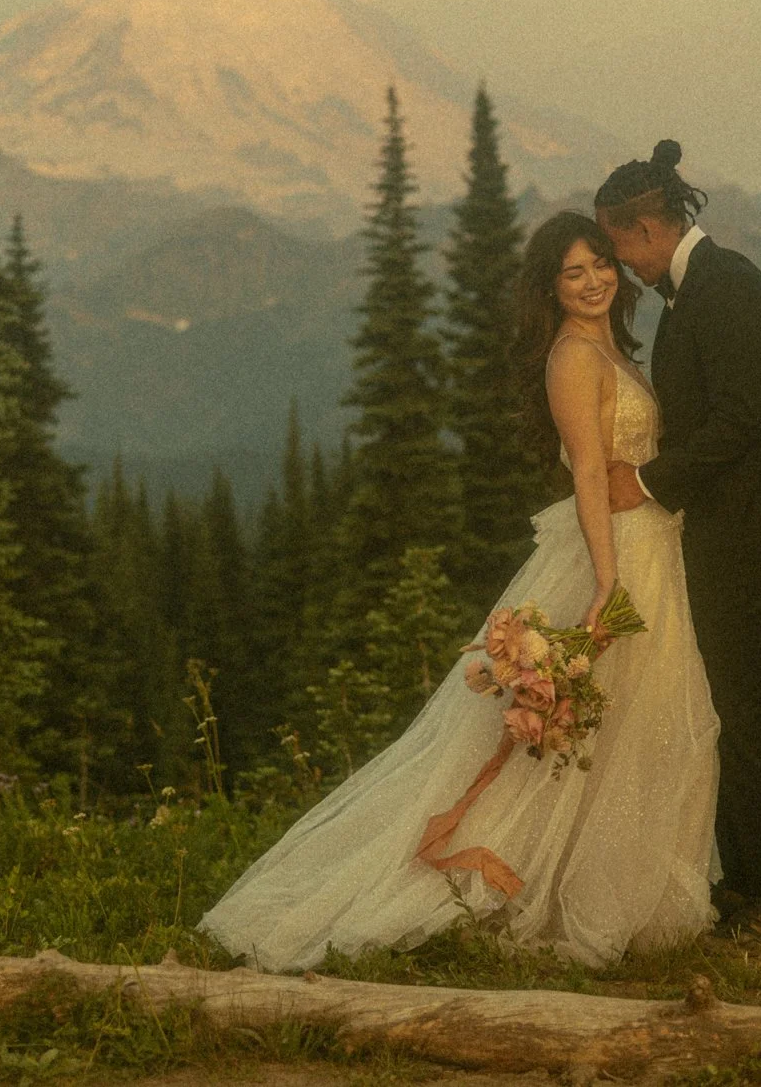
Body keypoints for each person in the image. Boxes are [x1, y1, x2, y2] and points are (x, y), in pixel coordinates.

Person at [197, 212, 720, 971]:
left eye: (601, 263)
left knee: (640, 724)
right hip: (619, 553)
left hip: (652, 545)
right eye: (573, 272)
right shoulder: (572, 356)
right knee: (604, 724)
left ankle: (622, 893)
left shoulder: (610, 344)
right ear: (550, 287)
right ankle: (561, 891)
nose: (594, 280)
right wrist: (607, 579)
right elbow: (583, 470)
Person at [596, 140, 761, 935]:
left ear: (647, 229)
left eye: (618, 247)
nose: (618, 267)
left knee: (747, 713)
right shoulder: (700, 292)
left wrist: (650, 481)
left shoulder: (727, 292)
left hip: (754, 534)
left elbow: (742, 418)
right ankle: (750, 878)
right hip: (728, 532)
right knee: (726, 705)